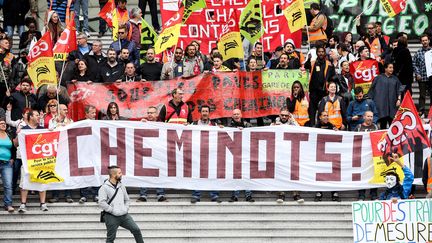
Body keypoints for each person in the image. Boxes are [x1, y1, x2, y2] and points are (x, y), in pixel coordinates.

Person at [99, 165, 144, 243]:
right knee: (111, 238)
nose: (121, 174)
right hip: (111, 216)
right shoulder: (104, 187)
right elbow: (102, 202)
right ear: (113, 175)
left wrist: (125, 209)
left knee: (136, 230)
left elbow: (127, 199)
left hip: (124, 215)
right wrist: (112, 210)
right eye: (119, 173)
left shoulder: (121, 185)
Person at [16, 109, 48, 212]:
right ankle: (23, 204)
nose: (39, 117)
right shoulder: (23, 129)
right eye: (36, 115)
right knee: (24, 183)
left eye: (39, 115)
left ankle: (43, 204)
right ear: (30, 117)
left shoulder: (42, 129)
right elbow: (16, 144)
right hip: (27, 161)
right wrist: (18, 135)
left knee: (42, 181)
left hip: (40, 160)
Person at [272, 108, 305, 203]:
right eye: (282, 115)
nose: (284, 117)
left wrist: (292, 119)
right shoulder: (274, 124)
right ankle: (281, 194)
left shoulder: (292, 124)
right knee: (280, 173)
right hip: (279, 153)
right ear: (279, 115)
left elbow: (300, 129)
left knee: (294, 173)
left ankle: (296, 194)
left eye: (286, 115)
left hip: (291, 152)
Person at [191, 105, 221, 203]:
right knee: (196, 174)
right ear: (200, 112)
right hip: (197, 153)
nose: (204, 113)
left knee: (213, 174)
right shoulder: (194, 124)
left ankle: (214, 195)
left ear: (209, 113)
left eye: (206, 111)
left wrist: (222, 129)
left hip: (211, 154)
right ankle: (196, 195)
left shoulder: (215, 125)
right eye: (203, 111)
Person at [136, 106, 167, 202]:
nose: (149, 114)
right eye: (148, 112)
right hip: (146, 153)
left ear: (156, 114)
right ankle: (143, 194)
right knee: (144, 173)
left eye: (152, 113)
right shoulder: (143, 124)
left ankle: (160, 194)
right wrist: (140, 125)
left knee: (159, 173)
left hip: (158, 153)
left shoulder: (162, 125)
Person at [304, 46, 335, 126]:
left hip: (323, 91)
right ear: (317, 53)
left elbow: (333, 75)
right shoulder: (313, 62)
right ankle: (312, 125)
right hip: (314, 90)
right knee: (312, 109)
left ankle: (320, 125)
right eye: (319, 52)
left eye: (322, 52)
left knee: (322, 110)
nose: (321, 53)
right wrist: (308, 59)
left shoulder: (329, 64)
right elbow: (306, 67)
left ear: (325, 53)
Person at [228, 109, 254, 202]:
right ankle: (235, 195)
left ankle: (248, 195)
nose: (236, 115)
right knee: (236, 175)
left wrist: (245, 131)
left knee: (247, 174)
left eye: (237, 114)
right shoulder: (229, 127)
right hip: (234, 154)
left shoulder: (248, 126)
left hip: (246, 154)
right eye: (234, 114)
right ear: (232, 116)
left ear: (241, 115)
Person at [314, 111, 340, 202]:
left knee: (332, 174)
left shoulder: (332, 126)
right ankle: (319, 192)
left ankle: (334, 192)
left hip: (330, 153)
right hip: (320, 153)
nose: (326, 117)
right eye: (324, 115)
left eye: (327, 116)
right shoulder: (315, 127)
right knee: (320, 174)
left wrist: (337, 132)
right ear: (320, 117)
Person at [368, 62, 402, 129]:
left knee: (393, 125)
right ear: (385, 68)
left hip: (392, 105)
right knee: (383, 125)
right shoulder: (378, 78)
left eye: (392, 68)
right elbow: (372, 90)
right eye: (390, 67)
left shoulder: (395, 79)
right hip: (382, 106)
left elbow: (400, 89)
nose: (392, 69)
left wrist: (399, 99)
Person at [79, 105, 100, 204]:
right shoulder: (80, 123)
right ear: (86, 113)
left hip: (95, 151)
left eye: (95, 113)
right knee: (84, 172)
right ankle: (84, 194)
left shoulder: (98, 123)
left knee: (96, 172)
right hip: (84, 151)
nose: (94, 114)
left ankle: (96, 193)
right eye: (92, 112)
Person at [413, 34, 431, 115]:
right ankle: (421, 112)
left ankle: (431, 112)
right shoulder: (418, 52)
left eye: (426, 40)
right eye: (423, 41)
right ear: (421, 42)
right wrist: (417, 73)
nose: (424, 42)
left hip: (431, 78)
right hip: (422, 78)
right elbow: (414, 64)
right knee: (422, 96)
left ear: (429, 41)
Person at [0, 119, 15, 212]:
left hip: (7, 163)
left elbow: (13, 148)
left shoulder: (9, 134)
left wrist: (12, 158)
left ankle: (8, 204)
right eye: (1, 123)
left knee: (8, 185)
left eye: (4, 123)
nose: (3, 125)